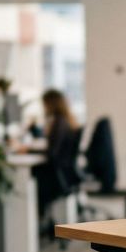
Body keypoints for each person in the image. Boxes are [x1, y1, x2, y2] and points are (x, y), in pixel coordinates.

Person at [32, 89, 81, 217]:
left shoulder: (58, 122)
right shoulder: (65, 120)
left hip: (57, 176)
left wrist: (29, 149)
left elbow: (51, 153)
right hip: (64, 173)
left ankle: (38, 216)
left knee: (30, 177)